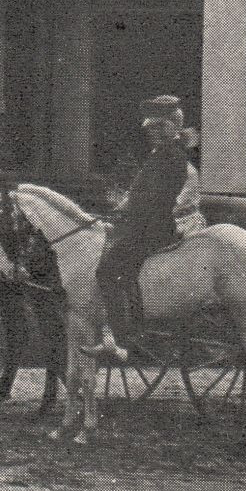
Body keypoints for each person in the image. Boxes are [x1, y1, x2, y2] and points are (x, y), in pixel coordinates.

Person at [83, 95, 200, 363]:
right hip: (144, 224)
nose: (153, 133)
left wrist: (127, 212)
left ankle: (123, 340)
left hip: (154, 229)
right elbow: (140, 192)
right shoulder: (161, 154)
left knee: (108, 269)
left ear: (173, 127)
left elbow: (156, 200)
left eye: (159, 128)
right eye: (151, 128)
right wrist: (122, 207)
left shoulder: (171, 156)